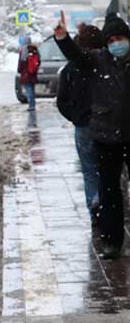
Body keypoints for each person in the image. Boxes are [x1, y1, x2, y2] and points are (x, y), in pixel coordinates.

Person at [55, 13, 130, 258]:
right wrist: (63, 38)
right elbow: (76, 56)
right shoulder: (99, 60)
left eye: (120, 38)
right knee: (109, 191)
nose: (116, 44)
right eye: (111, 40)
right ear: (106, 44)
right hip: (106, 136)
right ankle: (111, 241)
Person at [56, 24, 105, 228]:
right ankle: (105, 203)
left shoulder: (70, 69)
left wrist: (76, 117)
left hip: (83, 126)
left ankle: (95, 208)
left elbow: (62, 101)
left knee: (89, 170)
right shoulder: (105, 65)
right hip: (106, 125)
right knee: (108, 169)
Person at [17, 35, 41, 111]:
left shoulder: (24, 50)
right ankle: (32, 104)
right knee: (32, 89)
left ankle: (31, 105)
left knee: (28, 90)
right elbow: (39, 60)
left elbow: (21, 62)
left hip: (26, 74)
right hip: (33, 73)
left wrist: (20, 70)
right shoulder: (34, 49)